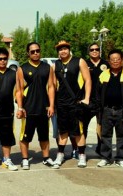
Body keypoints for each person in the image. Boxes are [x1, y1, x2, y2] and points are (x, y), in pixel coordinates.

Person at [16, 42, 56, 170]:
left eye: (37, 51)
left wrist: (51, 105)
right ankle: (25, 159)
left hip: (43, 108)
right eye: (32, 51)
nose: (35, 53)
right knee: (25, 136)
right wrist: (20, 107)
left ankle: (46, 158)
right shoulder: (22, 68)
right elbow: (19, 90)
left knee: (44, 136)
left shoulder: (47, 68)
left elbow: (51, 87)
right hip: (28, 109)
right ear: (28, 53)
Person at [52, 40, 91, 168]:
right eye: (60, 49)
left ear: (69, 49)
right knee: (62, 130)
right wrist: (52, 104)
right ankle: (60, 154)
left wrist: (86, 98)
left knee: (78, 131)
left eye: (65, 48)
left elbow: (88, 80)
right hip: (61, 103)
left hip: (76, 102)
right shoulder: (55, 65)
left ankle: (81, 155)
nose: (63, 51)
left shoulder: (79, 61)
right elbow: (52, 86)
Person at [96, 49, 123, 169]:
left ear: (121, 60)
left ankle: (120, 158)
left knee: (122, 135)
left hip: (122, 111)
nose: (115, 61)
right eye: (112, 59)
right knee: (105, 135)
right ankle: (106, 158)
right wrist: (99, 110)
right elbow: (97, 94)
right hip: (107, 110)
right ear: (109, 61)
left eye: (117, 59)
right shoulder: (103, 75)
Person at [77, 43, 110, 158]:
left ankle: (100, 148)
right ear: (88, 52)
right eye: (92, 49)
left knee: (101, 126)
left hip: (102, 101)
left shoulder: (106, 64)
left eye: (97, 49)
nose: (94, 51)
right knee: (83, 126)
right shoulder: (84, 63)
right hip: (87, 100)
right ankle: (81, 150)